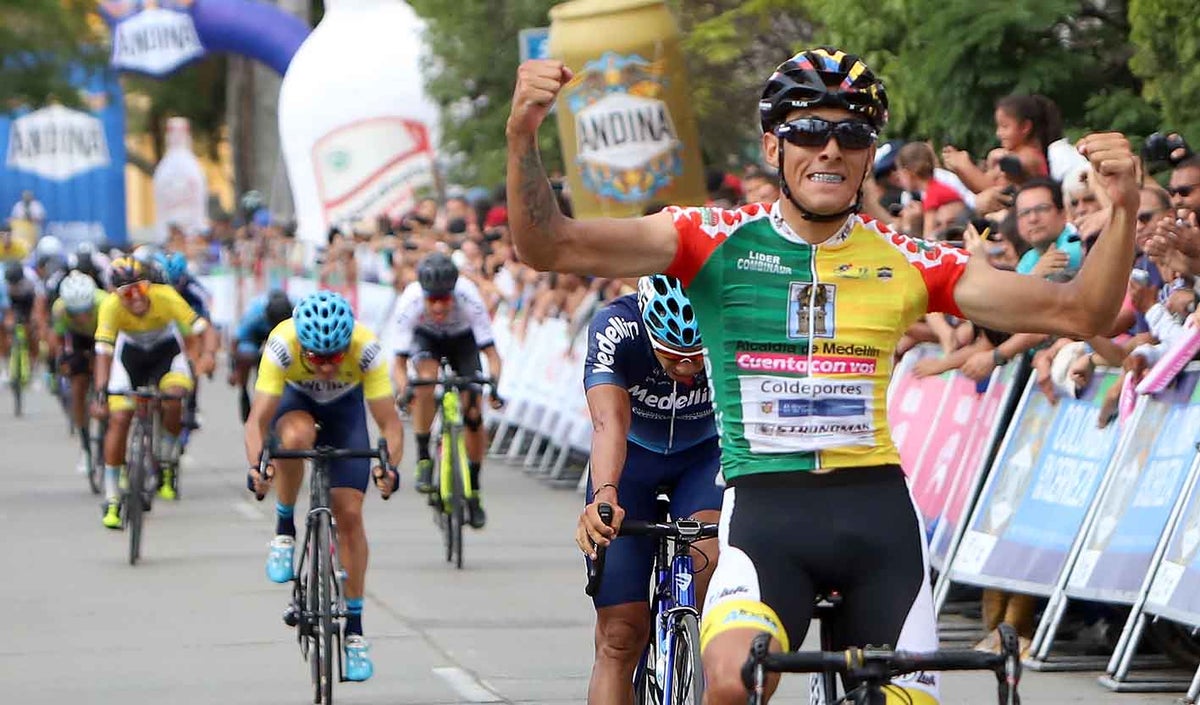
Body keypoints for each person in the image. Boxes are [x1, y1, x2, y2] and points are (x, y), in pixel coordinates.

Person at [506, 47, 1139, 705]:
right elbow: (549, 244)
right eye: (809, 130)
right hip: (765, 512)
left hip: (877, 515)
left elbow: (1083, 311)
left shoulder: (907, 258)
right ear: (772, 146)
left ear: (869, 155)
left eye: (853, 134)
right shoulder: (708, 238)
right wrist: (523, 134)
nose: (831, 148)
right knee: (732, 683)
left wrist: (1121, 209)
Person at [243, 290, 404, 683]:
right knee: (295, 439)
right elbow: (257, 421)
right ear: (303, 347)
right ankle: (284, 529)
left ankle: (355, 632)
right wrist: (257, 467)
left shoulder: (366, 348)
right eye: (317, 358)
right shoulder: (282, 343)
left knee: (349, 515)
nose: (328, 367)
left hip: (345, 412)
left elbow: (389, 424)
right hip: (295, 403)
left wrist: (389, 469)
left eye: (336, 356)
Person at [576, 274, 722, 705]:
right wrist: (605, 495)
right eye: (673, 356)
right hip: (632, 459)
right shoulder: (616, 327)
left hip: (704, 457)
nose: (687, 370)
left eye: (696, 357)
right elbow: (609, 423)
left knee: (710, 554)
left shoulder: (730, 319)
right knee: (620, 635)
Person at [91, 258, 219, 525]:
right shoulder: (110, 307)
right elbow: (103, 352)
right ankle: (112, 497)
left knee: (174, 399)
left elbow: (203, 328)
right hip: (130, 357)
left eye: (141, 288)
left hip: (165, 353)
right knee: (119, 419)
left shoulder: (165, 296)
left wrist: (208, 355)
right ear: (116, 294)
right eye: (127, 293)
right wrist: (102, 391)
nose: (137, 297)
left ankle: (167, 461)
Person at [390, 252, 503, 528]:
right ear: (423, 294)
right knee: (425, 381)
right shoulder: (410, 301)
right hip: (426, 338)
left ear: (454, 293)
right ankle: (424, 457)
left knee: (473, 413)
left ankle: (474, 488)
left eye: (444, 299)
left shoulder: (469, 297)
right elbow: (399, 364)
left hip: (463, 341)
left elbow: (492, 356)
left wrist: (493, 386)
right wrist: (405, 390)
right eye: (432, 300)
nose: (439, 307)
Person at [48, 272, 108, 472]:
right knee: (78, 386)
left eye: (86, 311)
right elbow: (58, 340)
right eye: (76, 313)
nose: (82, 317)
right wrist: (61, 362)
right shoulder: (60, 309)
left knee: (106, 378)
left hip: (104, 334)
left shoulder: (105, 303)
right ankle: (85, 446)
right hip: (78, 339)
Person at [229, 289, 294, 422]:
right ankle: (244, 391)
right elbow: (236, 341)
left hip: (286, 334)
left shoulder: (298, 313)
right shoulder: (254, 314)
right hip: (255, 335)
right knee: (246, 355)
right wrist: (235, 370)